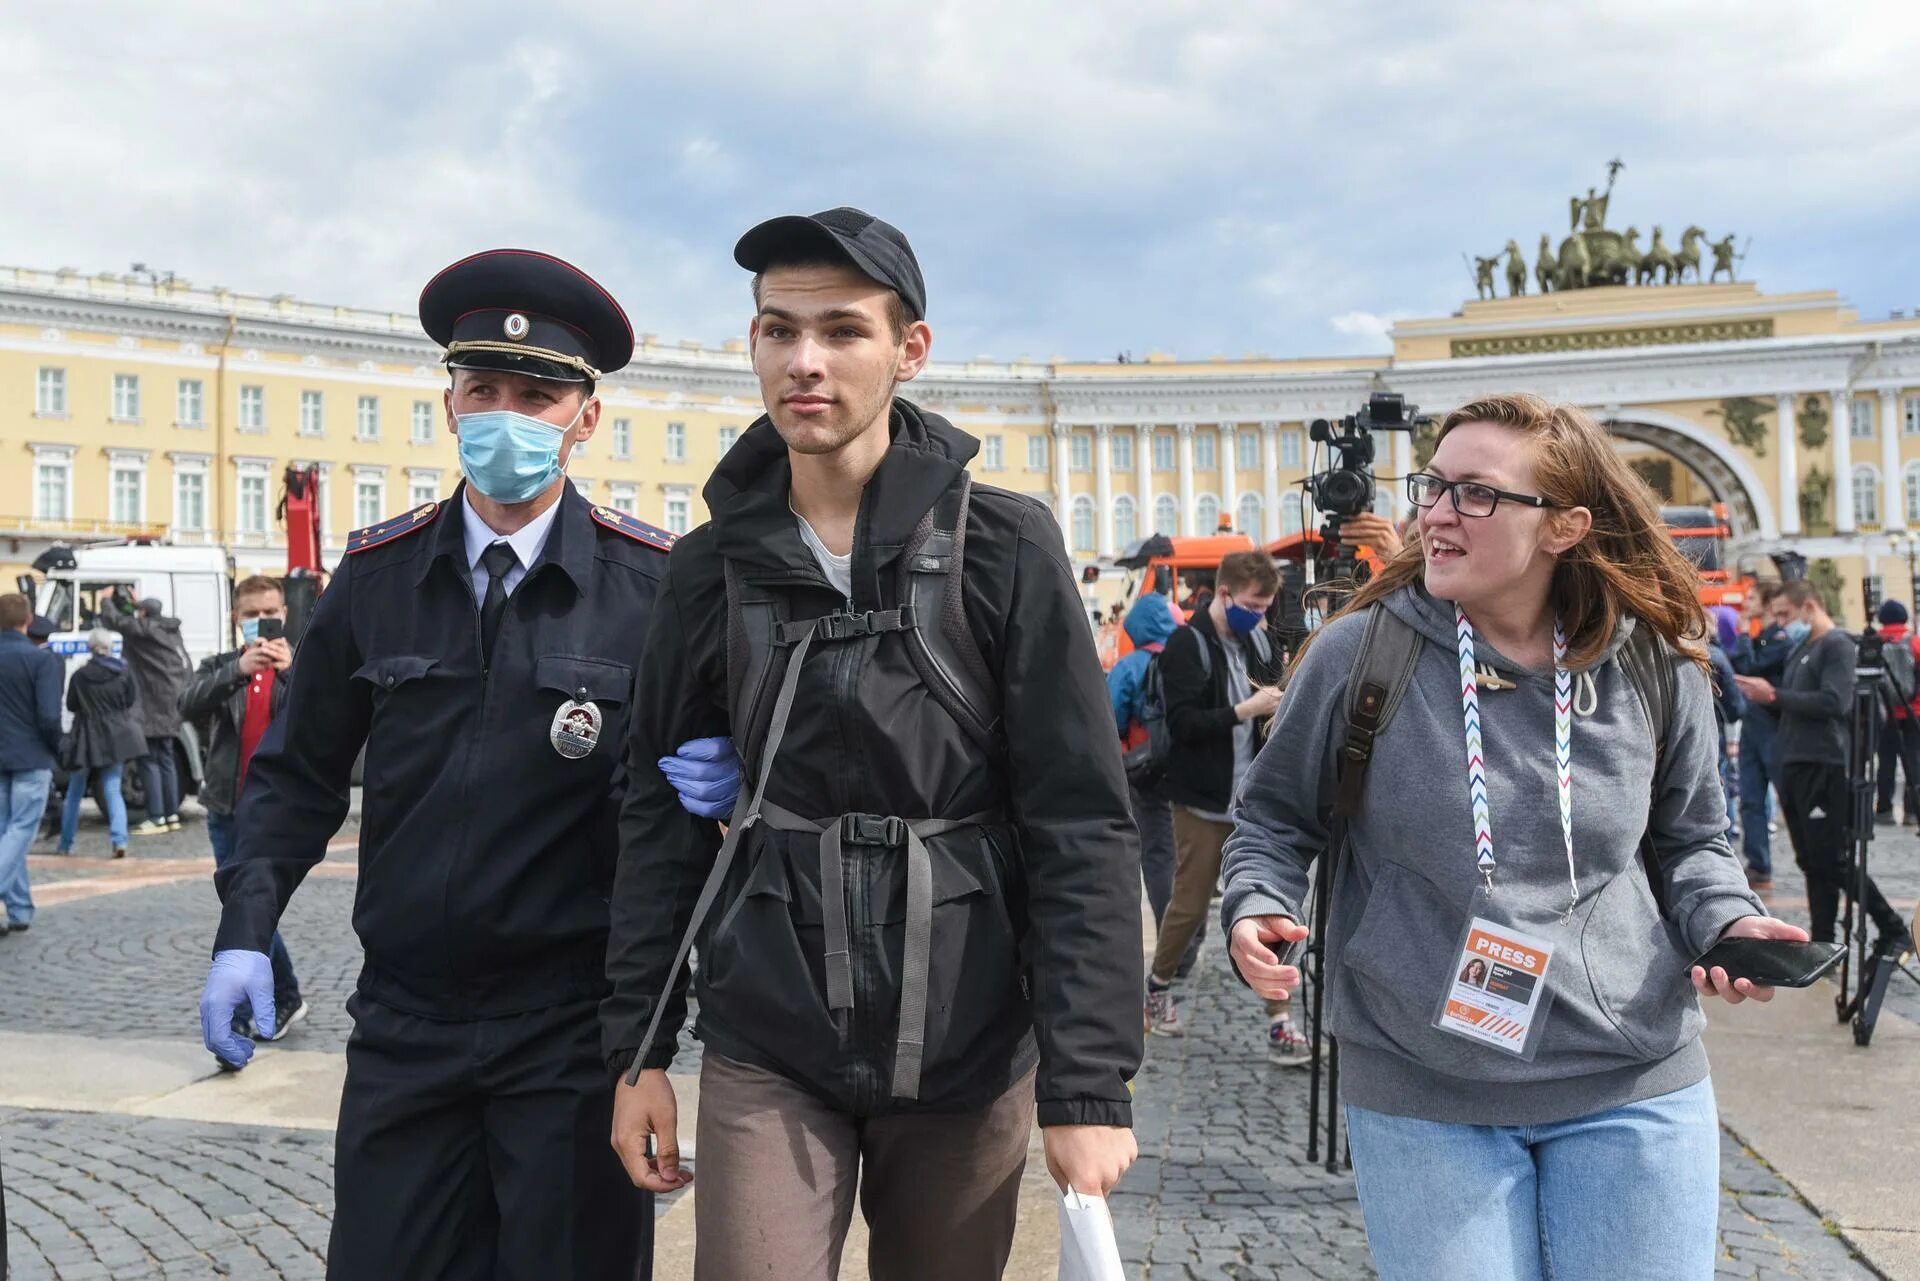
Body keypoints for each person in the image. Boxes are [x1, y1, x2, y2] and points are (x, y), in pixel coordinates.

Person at [602, 207, 1142, 1280]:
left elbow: (1078, 820)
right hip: (771, 1035)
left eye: (843, 330)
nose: (805, 361)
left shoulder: (1005, 545)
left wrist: (1087, 1087)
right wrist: (639, 1052)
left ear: (910, 349)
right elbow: (656, 817)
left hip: (969, 1040)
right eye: (777, 329)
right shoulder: (707, 568)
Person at [194, 250, 732, 1279]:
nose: (507, 417)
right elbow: (299, 778)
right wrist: (246, 929)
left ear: (585, 419)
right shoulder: (377, 574)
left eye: (538, 396)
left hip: (573, 1038)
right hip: (406, 1027)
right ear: (449, 405)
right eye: (484, 390)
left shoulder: (653, 591)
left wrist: (651, 1044)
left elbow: (674, 841)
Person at [1223, 394, 1807, 1281]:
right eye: (1434, 486)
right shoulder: (1357, 656)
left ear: (1566, 526)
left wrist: (1727, 921)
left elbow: (1695, 841)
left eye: (1476, 493)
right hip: (1424, 1085)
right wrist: (1256, 903)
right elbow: (1270, 820)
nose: (1437, 512)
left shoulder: (1652, 660)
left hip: (1631, 1082)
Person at [1143, 550, 1302, 1063]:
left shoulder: (1256, 638)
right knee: (1188, 905)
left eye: (1266, 607)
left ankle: (1280, 1022)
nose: (1259, 615)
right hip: (1203, 801)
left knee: (1267, 905)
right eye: (1253, 605)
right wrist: (1247, 709)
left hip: (1251, 799)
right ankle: (1157, 987)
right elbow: (1184, 723)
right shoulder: (1186, 645)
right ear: (1224, 593)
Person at [1736, 583, 1913, 955]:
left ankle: (1891, 925)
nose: (1782, 623)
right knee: (1811, 861)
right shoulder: (1803, 647)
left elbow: (1836, 701)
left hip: (1826, 762)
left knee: (1831, 858)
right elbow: (1795, 703)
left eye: (1786, 614)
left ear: (1810, 606)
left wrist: (1774, 695)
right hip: (1798, 761)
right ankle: (1822, 942)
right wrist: (1766, 696)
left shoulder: (1836, 645)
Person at [179, 575, 306, 1043]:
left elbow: (327, 719)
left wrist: (292, 672)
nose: (260, 622)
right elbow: (185, 703)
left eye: (268, 613)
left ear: (283, 615)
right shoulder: (222, 665)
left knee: (244, 909)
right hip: (227, 805)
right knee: (244, 907)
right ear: (237, 619)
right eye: (250, 615)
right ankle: (286, 994)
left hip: (276, 811)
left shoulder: (303, 663)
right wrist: (236, 670)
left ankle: (235, 1022)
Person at [1107, 589, 1198, 974]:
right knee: (1193, 861)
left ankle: (1174, 949)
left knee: (1159, 860)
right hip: (1190, 774)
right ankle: (1190, 942)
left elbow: (1108, 721)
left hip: (1144, 775)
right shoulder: (1189, 661)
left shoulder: (1127, 668)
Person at [102, 594, 191, 835]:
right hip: (172, 706)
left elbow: (114, 621)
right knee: (167, 759)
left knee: (149, 761)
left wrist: (106, 598)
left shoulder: (143, 630)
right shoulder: (170, 630)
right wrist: (138, 603)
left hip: (153, 707)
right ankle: (171, 815)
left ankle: (156, 817)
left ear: (142, 613)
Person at [0, 593, 62, 936]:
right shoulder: (40, 661)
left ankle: (20, 909)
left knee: (8, 833)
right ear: (27, 621)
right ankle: (17, 905)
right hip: (30, 755)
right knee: (21, 830)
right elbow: (49, 717)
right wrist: (59, 750)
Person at [56, 628, 145, 858]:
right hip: (115, 735)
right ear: (109, 647)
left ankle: (66, 843)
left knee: (75, 791)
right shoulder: (123, 673)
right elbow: (129, 700)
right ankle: (119, 840)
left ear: (90, 648)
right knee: (112, 789)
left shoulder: (80, 676)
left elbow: (72, 705)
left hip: (85, 737)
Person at [1733, 584, 1792, 888]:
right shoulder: (1762, 638)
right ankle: (1758, 864)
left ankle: (1811, 858)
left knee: (1788, 794)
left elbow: (1748, 667)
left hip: (1772, 727)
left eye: (1753, 597)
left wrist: (1742, 634)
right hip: (1754, 726)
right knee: (1751, 799)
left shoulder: (1778, 640)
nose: (1747, 602)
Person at [1871, 600, 1920, 824]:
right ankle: (1912, 810)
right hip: (1914, 710)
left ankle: (1884, 809)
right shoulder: (1915, 642)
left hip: (1885, 711)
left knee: (1886, 760)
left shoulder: (1873, 643)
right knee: (1914, 760)